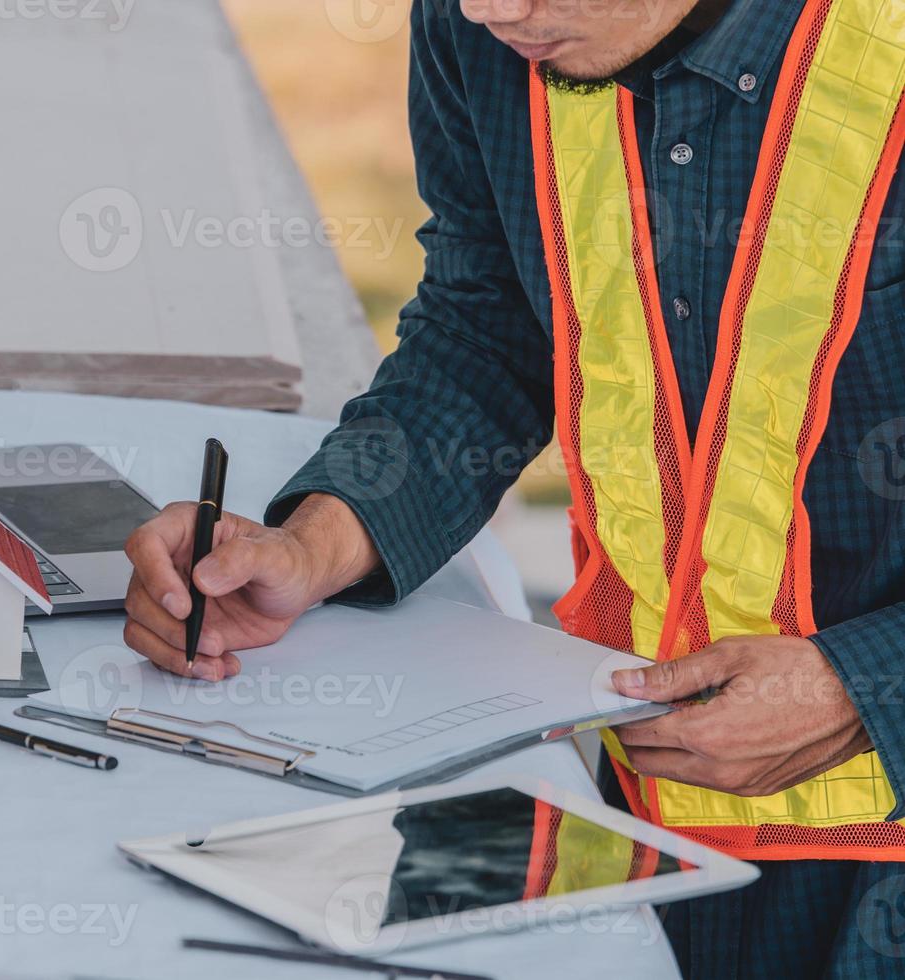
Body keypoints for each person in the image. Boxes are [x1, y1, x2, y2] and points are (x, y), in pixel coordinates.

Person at [122, 0, 905, 976]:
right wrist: (311, 545)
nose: (491, 10)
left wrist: (862, 688)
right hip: (641, 809)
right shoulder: (483, 28)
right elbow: (490, 326)